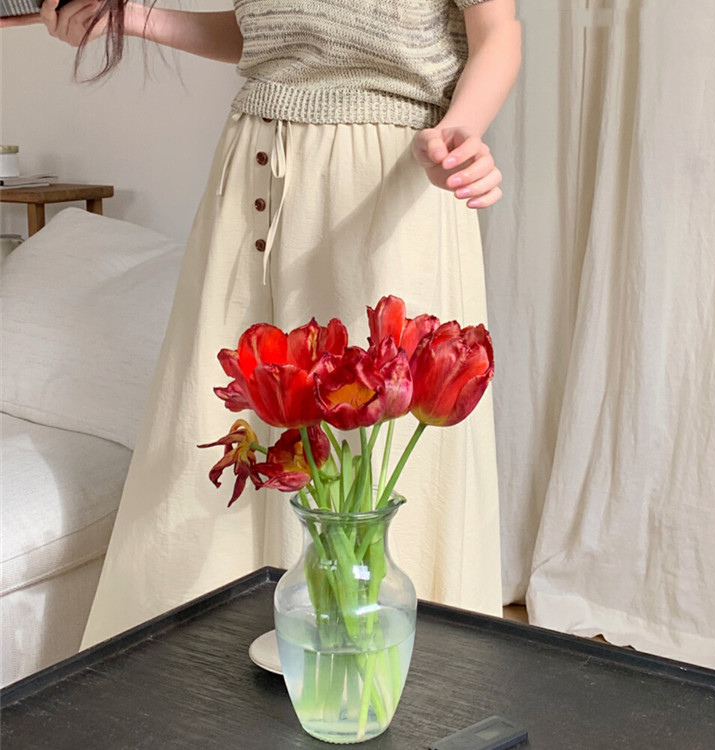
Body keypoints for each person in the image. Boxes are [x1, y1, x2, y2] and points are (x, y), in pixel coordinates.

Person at [4, 0, 522, 648]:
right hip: (250, 175)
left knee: (377, 458)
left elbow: (498, 31)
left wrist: (462, 131)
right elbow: (264, 29)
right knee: (213, 433)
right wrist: (131, 18)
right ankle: (192, 688)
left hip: (389, 183)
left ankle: (390, 684)